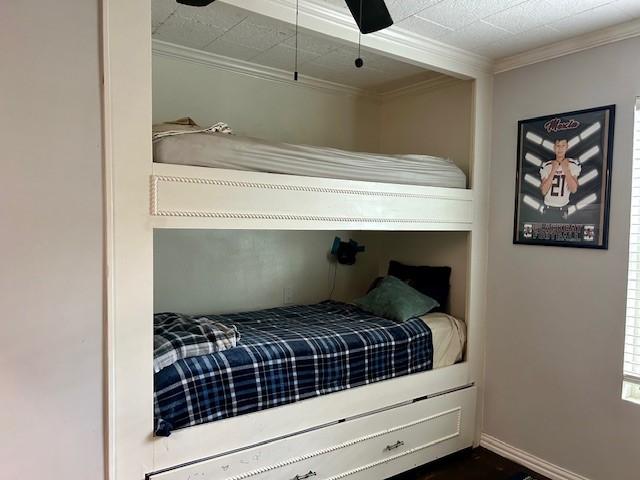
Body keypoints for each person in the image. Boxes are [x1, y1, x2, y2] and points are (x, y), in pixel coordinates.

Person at [539, 138, 581, 221]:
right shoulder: (547, 165)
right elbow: (544, 191)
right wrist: (553, 170)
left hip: (563, 208)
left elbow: (573, 189)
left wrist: (566, 169)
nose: (560, 148)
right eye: (558, 146)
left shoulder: (573, 164)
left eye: (563, 145)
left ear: (567, 147)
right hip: (548, 207)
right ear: (554, 147)